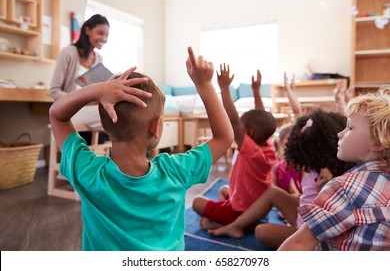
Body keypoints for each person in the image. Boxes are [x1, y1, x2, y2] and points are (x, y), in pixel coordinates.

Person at [48, 47, 234, 251]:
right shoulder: (176, 171)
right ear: (156, 126)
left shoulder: (88, 173)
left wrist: (97, 90)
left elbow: (57, 115)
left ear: (106, 123)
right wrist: (204, 84)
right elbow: (224, 138)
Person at [209, 110, 355, 250]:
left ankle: (236, 224)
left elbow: (329, 217)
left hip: (311, 231)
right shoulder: (318, 166)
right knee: (273, 192)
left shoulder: (330, 175)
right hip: (305, 214)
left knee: (262, 232)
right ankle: (235, 225)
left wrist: (321, 190)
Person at [279, 87, 390, 251]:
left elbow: (298, 244)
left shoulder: (344, 188)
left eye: (350, 128)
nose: (340, 133)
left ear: (378, 143)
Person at [192, 64, 277, 230]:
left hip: (240, 211)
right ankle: (240, 221)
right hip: (257, 208)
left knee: (197, 202)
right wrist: (256, 91)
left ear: (249, 133)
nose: (239, 131)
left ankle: (234, 224)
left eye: (242, 129)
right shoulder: (267, 146)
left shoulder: (251, 151)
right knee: (224, 190)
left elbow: (234, 121)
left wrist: (224, 88)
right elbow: (262, 116)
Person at [49, 14, 110, 129]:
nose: (104, 39)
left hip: (89, 110)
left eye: (106, 35)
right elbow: (54, 91)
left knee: (116, 110)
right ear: (87, 30)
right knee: (111, 114)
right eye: (100, 33)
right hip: (69, 110)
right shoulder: (68, 53)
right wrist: (83, 99)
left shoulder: (99, 59)